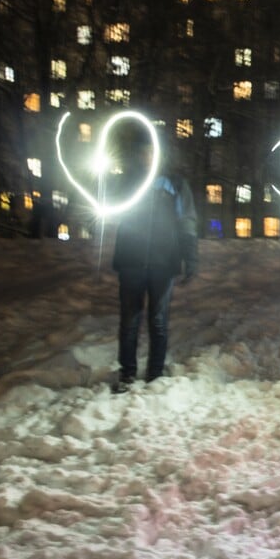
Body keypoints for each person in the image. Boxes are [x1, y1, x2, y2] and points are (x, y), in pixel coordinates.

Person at [111, 144, 198, 393]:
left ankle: (155, 374)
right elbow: (110, 205)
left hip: (163, 262)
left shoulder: (175, 183)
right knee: (129, 320)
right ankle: (127, 374)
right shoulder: (128, 181)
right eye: (144, 151)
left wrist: (190, 256)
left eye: (152, 150)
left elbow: (187, 221)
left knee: (158, 321)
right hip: (131, 260)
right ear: (139, 154)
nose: (148, 155)